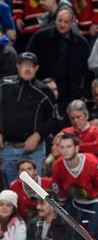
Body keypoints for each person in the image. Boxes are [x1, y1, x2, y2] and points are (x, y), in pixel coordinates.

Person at [0, 52, 54, 184]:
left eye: (31, 66)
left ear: (36, 68)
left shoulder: (44, 90)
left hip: (33, 150)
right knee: (11, 193)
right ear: (18, 66)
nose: (28, 69)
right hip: (7, 148)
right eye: (24, 65)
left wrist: (38, 135)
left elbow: (53, 119)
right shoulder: (4, 85)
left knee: (34, 189)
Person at [27, 8, 90, 115]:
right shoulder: (40, 37)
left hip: (69, 93)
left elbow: (86, 71)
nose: (62, 25)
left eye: (66, 22)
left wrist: (81, 92)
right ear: (55, 20)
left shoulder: (81, 43)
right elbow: (29, 62)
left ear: (72, 23)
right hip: (42, 88)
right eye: (60, 21)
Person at [52, 133, 98, 240]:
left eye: (68, 146)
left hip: (96, 201)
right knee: (68, 232)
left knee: (92, 234)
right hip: (75, 202)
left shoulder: (93, 163)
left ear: (76, 148)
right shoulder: (57, 166)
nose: (65, 150)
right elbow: (61, 193)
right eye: (62, 147)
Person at [9, 157, 52, 221]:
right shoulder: (14, 186)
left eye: (29, 169)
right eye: (22, 170)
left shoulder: (48, 183)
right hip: (25, 222)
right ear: (18, 173)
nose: (26, 172)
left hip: (48, 220)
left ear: (35, 170)